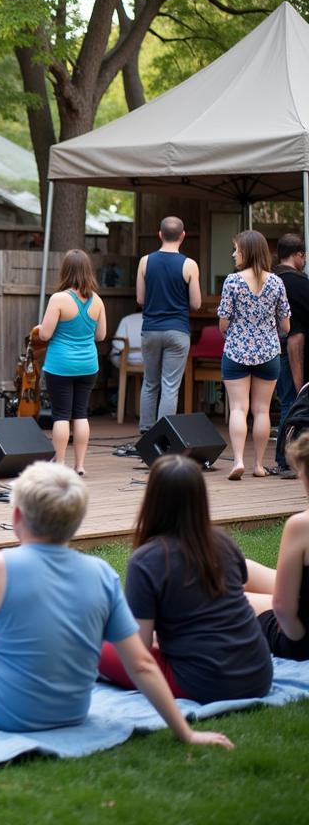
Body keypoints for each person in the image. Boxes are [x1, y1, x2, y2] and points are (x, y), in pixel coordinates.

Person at [0, 462, 233, 748]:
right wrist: (185, 732)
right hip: (70, 712)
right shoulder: (101, 573)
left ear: (17, 515)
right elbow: (142, 664)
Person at [96, 455, 273, 702]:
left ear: (152, 499)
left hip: (205, 683)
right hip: (258, 673)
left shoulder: (147, 560)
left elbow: (141, 650)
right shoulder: (223, 542)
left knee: (90, 645)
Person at [217, 229, 290, 480]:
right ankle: (259, 465)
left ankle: (237, 460)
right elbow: (287, 326)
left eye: (236, 249)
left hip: (236, 351)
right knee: (262, 410)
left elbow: (223, 323)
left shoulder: (232, 281)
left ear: (246, 252)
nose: (234, 253)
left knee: (238, 408)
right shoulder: (277, 282)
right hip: (269, 353)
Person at [36, 249, 107, 475]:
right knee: (80, 414)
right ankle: (80, 465)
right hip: (88, 365)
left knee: (61, 415)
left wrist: (40, 328)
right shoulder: (97, 301)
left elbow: (45, 334)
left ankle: (60, 464)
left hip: (61, 365)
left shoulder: (59, 299)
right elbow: (101, 335)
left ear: (65, 271)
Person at [244, 431, 309, 660]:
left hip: (299, 637)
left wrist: (296, 638)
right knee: (242, 568)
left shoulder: (301, 526)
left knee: (221, 597)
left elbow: (281, 607)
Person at [136, 216, 202, 435]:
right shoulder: (189, 265)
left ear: (160, 234)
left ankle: (146, 430)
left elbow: (140, 299)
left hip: (151, 329)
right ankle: (163, 434)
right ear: (183, 236)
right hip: (177, 330)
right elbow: (196, 303)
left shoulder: (145, 261)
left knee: (150, 382)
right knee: (170, 387)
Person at [273, 234, 309, 475]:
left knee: (284, 402)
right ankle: (287, 460)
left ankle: (283, 457)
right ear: (298, 255)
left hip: (272, 350)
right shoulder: (301, 284)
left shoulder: (270, 280)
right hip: (294, 351)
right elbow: (298, 331)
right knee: (293, 402)